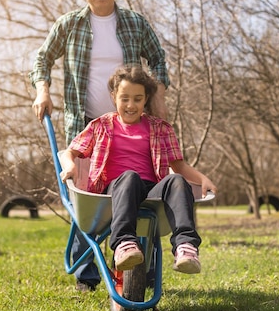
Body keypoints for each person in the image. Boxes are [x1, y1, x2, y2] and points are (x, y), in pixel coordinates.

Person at [29, 0, 170, 291]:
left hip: (134, 127)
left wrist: (159, 95)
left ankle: (144, 272)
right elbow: (42, 58)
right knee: (87, 195)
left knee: (145, 193)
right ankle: (87, 276)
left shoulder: (135, 23)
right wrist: (42, 89)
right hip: (88, 125)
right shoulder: (69, 25)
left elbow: (159, 59)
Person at [59, 65, 217, 275]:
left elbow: (178, 165)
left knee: (176, 181)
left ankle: (185, 246)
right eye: (124, 98)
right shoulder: (101, 125)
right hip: (115, 190)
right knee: (129, 177)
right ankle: (124, 243)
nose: (130, 105)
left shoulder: (161, 129)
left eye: (137, 98)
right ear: (114, 96)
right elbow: (69, 152)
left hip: (151, 191)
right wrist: (70, 165)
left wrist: (202, 179)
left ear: (145, 99)